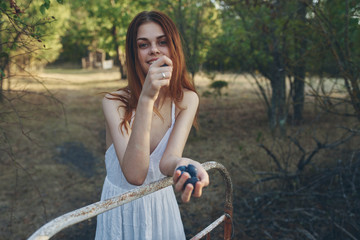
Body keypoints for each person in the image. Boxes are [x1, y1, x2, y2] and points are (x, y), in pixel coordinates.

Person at [95, 10, 209, 240]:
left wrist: (183, 163)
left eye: (162, 42)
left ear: (174, 47)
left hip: (161, 209)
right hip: (121, 208)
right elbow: (135, 175)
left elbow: (168, 161)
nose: (154, 50)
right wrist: (147, 98)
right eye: (143, 44)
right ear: (134, 53)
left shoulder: (187, 99)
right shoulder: (114, 103)